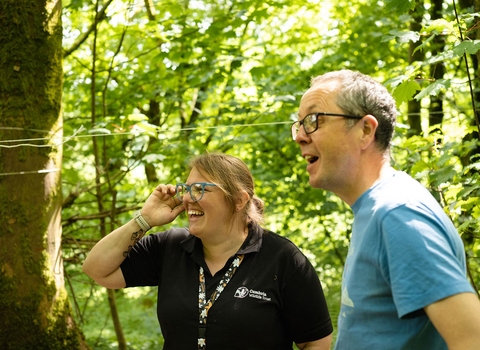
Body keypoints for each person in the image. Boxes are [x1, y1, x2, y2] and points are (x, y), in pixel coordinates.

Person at [292, 69, 480, 350]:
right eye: (299, 124)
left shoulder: (397, 214)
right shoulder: (376, 209)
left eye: (313, 120)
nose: (300, 137)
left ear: (365, 130)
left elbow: (471, 339)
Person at [82, 152, 333, 350]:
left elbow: (316, 342)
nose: (188, 199)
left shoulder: (283, 258)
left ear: (238, 200)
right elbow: (97, 270)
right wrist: (144, 220)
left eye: (200, 189)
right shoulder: (171, 246)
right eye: (186, 189)